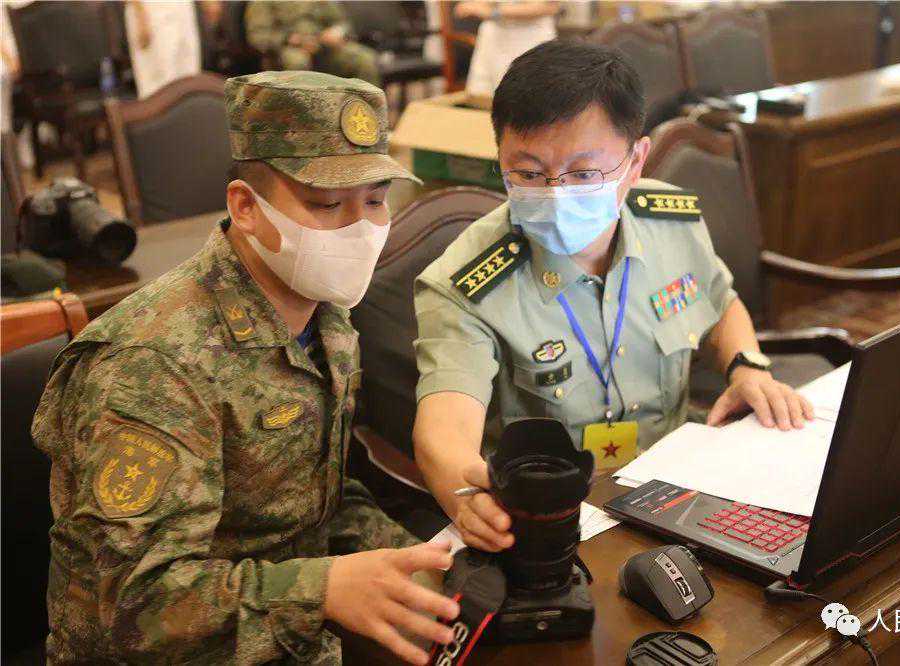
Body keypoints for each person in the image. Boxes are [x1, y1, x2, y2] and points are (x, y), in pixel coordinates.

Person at [32, 71, 458, 665]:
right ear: (246, 207)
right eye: (327, 204)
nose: (360, 229)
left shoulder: (326, 316)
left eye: (375, 199)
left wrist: (430, 564)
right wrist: (322, 590)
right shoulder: (152, 365)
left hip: (286, 636)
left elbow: (314, 503)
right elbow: (134, 608)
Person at [411, 41, 815, 553]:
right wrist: (467, 498)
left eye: (583, 174)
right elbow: (444, 428)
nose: (555, 193)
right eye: (528, 173)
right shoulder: (466, 283)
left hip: (677, 483)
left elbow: (721, 300)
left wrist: (747, 367)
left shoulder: (670, 223)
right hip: (557, 519)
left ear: (635, 161)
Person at [244, 1, 380, 85]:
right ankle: (302, 118)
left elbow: (341, 22)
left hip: (323, 46)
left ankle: (366, 113)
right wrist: (290, 39)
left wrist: (337, 31)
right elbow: (258, 36)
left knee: (364, 58)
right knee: (297, 62)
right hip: (289, 48)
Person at [455, 0, 559, 99]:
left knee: (525, 97)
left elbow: (549, 7)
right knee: (480, 96)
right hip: (492, 38)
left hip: (528, 39)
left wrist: (493, 12)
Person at [124, 0, 202, 98]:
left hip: (183, 9)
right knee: (159, 87)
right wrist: (140, 16)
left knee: (189, 79)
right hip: (151, 11)